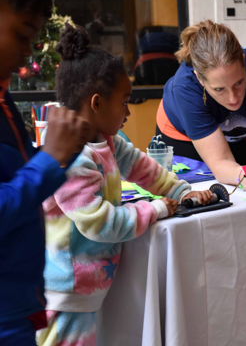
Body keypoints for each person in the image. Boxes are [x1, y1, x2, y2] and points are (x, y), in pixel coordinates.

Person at [36, 24, 213, 346]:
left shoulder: (109, 142)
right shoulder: (71, 159)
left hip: (90, 288)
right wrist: (156, 209)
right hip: (68, 293)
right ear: (96, 103)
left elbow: (147, 170)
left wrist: (182, 192)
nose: (129, 112)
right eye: (124, 102)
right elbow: (99, 224)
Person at [0, 0, 91, 345]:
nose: (26, 52)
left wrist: (58, 153)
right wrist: (50, 160)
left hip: (18, 306)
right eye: (21, 34)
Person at [157, 20, 246, 194]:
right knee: (197, 193)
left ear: (243, 60)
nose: (233, 98)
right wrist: (243, 176)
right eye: (219, 89)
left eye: (239, 82)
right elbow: (220, 163)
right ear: (199, 78)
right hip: (183, 137)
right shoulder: (185, 86)